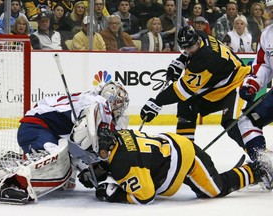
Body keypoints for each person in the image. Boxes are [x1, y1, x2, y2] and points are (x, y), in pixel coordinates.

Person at [0, 81, 130, 204]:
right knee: (55, 159)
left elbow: (79, 143)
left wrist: (89, 169)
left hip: (48, 131)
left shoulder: (90, 100)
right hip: (35, 127)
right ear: (110, 98)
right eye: (118, 103)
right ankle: (13, 184)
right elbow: (84, 139)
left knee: (66, 173)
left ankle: (8, 160)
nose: (119, 108)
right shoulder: (98, 102)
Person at [89, 128, 273, 204]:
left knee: (215, 190)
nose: (96, 153)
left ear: (104, 151)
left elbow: (145, 197)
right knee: (204, 190)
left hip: (186, 158)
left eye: (97, 151)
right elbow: (132, 158)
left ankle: (258, 170)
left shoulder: (122, 165)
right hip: (170, 152)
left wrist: (115, 195)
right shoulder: (119, 134)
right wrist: (102, 169)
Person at [140, 26, 251, 151]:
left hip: (238, 84)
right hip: (218, 87)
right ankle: (185, 150)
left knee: (231, 124)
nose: (188, 50)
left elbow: (181, 90)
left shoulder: (204, 58)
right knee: (186, 105)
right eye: (184, 48)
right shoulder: (200, 35)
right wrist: (181, 61)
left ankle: (258, 156)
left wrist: (157, 102)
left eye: (189, 47)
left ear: (196, 41)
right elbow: (188, 53)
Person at [237, 0, 273, 167]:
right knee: (247, 121)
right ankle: (265, 166)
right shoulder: (267, 35)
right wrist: (252, 84)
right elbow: (263, 65)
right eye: (271, 9)